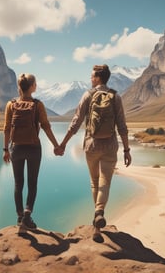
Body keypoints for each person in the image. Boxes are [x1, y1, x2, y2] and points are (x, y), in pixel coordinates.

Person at [59, 64, 131, 242]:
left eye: (92, 76)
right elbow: (122, 126)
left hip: (91, 145)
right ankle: (99, 213)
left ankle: (97, 223)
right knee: (105, 182)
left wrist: (63, 143)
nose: (90, 79)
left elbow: (76, 122)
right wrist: (127, 149)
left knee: (95, 182)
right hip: (110, 146)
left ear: (98, 78)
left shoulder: (88, 95)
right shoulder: (115, 97)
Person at [3, 73, 63, 231]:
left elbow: (7, 128)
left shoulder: (11, 104)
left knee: (18, 183)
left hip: (15, 147)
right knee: (32, 183)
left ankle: (19, 217)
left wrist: (5, 149)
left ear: (19, 87)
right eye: (35, 83)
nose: (36, 85)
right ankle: (27, 217)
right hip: (34, 147)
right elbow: (46, 126)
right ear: (32, 87)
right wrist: (57, 146)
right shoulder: (38, 105)